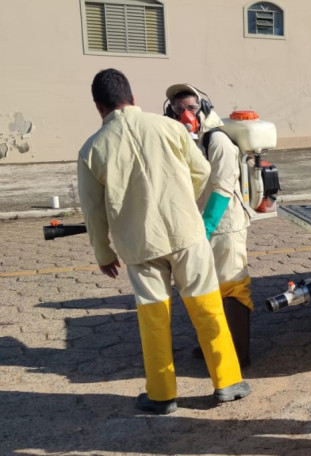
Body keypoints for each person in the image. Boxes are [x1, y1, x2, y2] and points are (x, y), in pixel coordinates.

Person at [77, 69, 250, 415]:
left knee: (153, 317)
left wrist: (103, 253)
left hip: (139, 245)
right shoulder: (169, 128)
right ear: (133, 97)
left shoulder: (91, 150)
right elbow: (201, 172)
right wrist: (181, 201)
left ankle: (161, 395)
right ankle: (227, 382)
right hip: (187, 235)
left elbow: (93, 212)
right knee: (206, 306)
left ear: (98, 106)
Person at [165, 83, 253, 368]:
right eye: (178, 110)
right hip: (202, 224)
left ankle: (238, 355)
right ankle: (214, 347)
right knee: (208, 287)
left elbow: (223, 187)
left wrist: (206, 228)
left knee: (232, 286)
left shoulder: (218, 141)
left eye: (190, 108)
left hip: (225, 225)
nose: (184, 115)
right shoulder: (186, 141)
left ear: (203, 110)